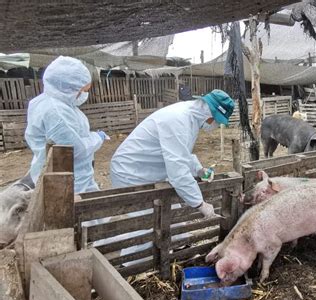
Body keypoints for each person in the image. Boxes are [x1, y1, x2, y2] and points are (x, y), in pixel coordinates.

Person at [110, 89, 235, 218]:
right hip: (130, 172)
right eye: (218, 122)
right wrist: (200, 203)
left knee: (169, 220)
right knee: (141, 224)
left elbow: (180, 153)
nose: (216, 125)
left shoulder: (190, 118)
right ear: (211, 116)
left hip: (147, 170)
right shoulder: (180, 120)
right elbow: (177, 170)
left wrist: (199, 170)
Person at [25, 56, 108, 193]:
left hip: (68, 174)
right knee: (79, 211)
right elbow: (74, 150)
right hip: (67, 180)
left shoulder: (50, 102)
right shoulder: (56, 111)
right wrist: (98, 138)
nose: (84, 94)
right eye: (82, 91)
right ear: (69, 87)